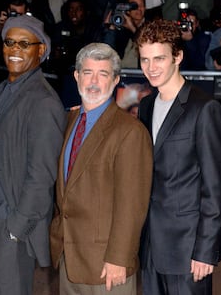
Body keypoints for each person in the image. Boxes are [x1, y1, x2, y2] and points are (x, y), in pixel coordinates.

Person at [0, 14, 67, 295]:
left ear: (41, 50)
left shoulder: (44, 101)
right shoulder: (2, 88)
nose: (14, 50)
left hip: (8, 228)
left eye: (24, 44)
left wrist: (16, 228)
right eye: (9, 42)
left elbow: (42, 175)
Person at [49, 42, 153, 294]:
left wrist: (119, 257)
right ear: (76, 76)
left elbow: (132, 203)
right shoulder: (69, 120)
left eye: (103, 74)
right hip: (68, 256)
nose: (94, 81)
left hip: (107, 264)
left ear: (116, 79)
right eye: (87, 72)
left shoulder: (129, 132)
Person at [136, 19, 221, 295]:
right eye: (144, 60)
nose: (150, 68)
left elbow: (216, 188)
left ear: (177, 56)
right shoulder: (146, 105)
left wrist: (205, 250)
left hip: (188, 248)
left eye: (158, 59)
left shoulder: (204, 108)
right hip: (151, 246)